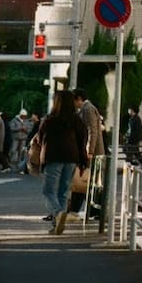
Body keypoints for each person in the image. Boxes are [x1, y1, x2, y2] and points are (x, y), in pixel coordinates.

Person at [38, 91, 89, 234]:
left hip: (53, 157)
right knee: (63, 191)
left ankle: (58, 213)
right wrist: (83, 160)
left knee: (48, 191)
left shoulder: (49, 120)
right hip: (72, 158)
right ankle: (57, 226)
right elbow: (82, 140)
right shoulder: (77, 120)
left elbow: (40, 138)